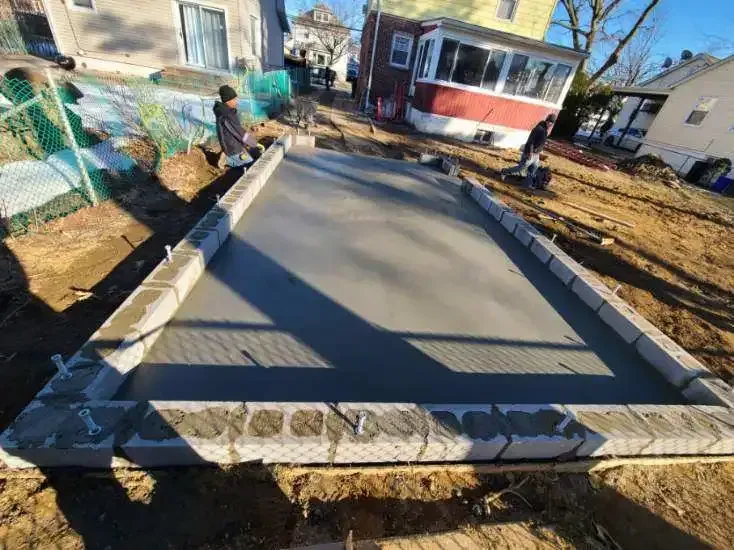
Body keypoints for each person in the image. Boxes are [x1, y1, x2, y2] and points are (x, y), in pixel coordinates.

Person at [500, 113, 557, 188]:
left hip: (536, 155)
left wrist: (540, 151)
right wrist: (530, 152)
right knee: (521, 168)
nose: (550, 124)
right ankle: (504, 171)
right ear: (546, 121)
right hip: (530, 153)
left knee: (533, 170)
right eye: (549, 121)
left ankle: (527, 185)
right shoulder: (539, 129)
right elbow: (531, 141)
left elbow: (540, 142)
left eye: (552, 123)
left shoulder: (545, 130)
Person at [213, 84, 258, 169]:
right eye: (234, 99)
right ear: (228, 101)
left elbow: (238, 130)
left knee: (250, 160)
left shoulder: (226, 112)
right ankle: (227, 159)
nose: (236, 102)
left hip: (235, 145)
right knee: (251, 167)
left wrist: (252, 143)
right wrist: (254, 144)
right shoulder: (227, 115)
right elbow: (239, 133)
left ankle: (229, 158)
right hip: (233, 149)